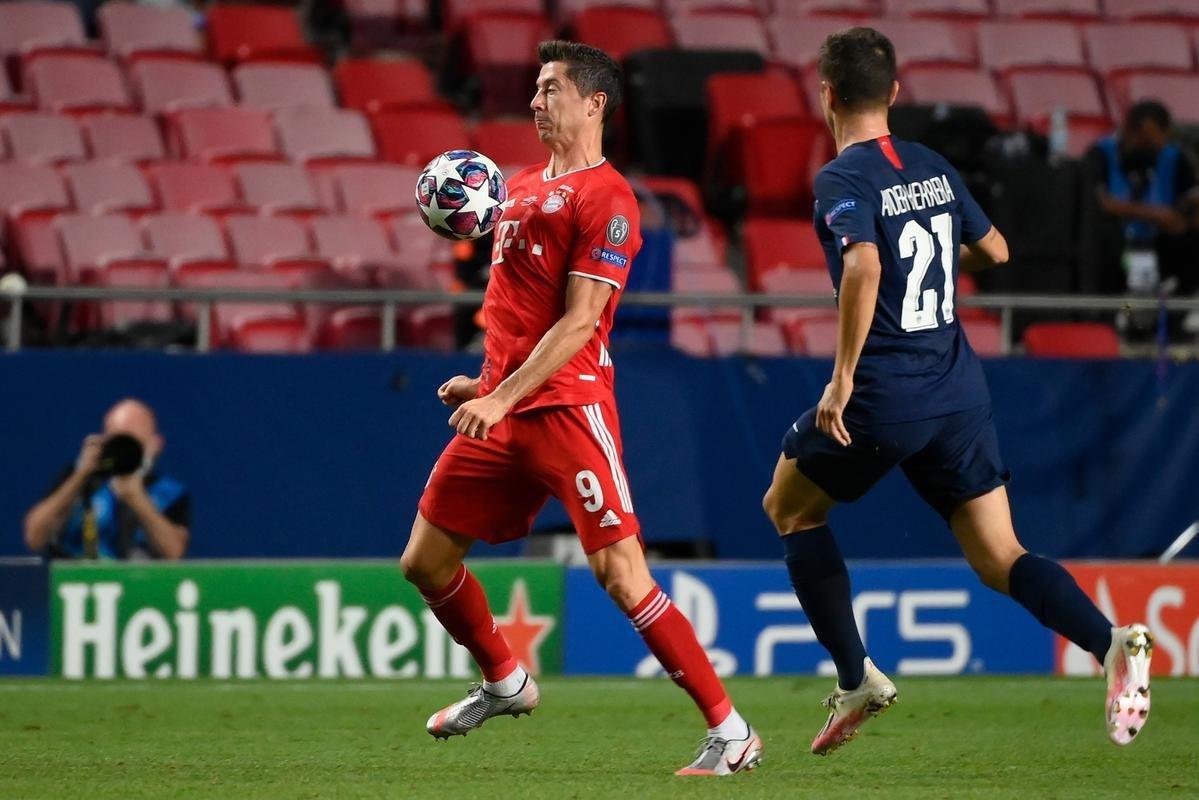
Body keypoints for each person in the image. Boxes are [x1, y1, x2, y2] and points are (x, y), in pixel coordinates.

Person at [759, 28, 1153, 757]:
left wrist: (841, 378)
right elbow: (996, 249)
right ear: (895, 93)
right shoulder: (932, 167)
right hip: (957, 390)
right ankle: (1109, 643)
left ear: (827, 96)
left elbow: (865, 267)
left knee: (787, 507)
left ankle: (856, 678)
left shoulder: (841, 180)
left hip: (886, 390)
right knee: (999, 554)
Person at [400, 40, 762, 776]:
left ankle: (731, 733)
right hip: (503, 406)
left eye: (550, 88)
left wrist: (504, 395)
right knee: (425, 560)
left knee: (623, 575)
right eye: (534, 88)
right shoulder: (520, 187)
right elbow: (517, 309)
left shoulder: (611, 199)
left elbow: (579, 321)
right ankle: (506, 680)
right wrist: (485, 382)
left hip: (567, 412)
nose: (535, 100)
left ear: (592, 103)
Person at [24, 398, 189, 560]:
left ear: (155, 445)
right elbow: (34, 538)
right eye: (118, 442)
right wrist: (81, 475)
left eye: (133, 443)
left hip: (139, 584)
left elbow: (174, 553)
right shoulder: (76, 479)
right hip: (75, 583)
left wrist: (136, 498)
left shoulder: (169, 493)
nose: (125, 452)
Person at [1082, 101, 1199, 299]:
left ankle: (1174, 317)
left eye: (1155, 141)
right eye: (1143, 138)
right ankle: (1105, 317)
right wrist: (1156, 214)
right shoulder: (1099, 154)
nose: (1152, 147)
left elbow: (1192, 199)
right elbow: (1102, 203)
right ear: (1129, 130)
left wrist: (1184, 217)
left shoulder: (1174, 157)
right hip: (1115, 246)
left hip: (1160, 244)